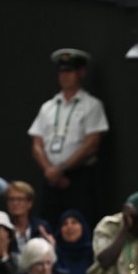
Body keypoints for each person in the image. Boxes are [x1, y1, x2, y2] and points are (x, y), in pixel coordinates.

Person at [28, 48, 109, 227]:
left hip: (78, 177)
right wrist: (49, 170)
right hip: (50, 178)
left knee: (80, 224)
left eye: (70, 71)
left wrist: (63, 168)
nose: (65, 76)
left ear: (81, 73)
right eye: (62, 71)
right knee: (48, 225)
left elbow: (92, 143)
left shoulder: (91, 105)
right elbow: (37, 143)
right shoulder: (48, 107)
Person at [6, 180, 52, 252]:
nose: (15, 203)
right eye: (11, 199)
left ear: (29, 203)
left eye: (20, 199)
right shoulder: (4, 229)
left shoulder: (41, 228)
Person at [53, 208, 93, 274]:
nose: (69, 227)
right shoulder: (55, 255)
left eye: (74, 222)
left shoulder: (94, 253)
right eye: (64, 224)